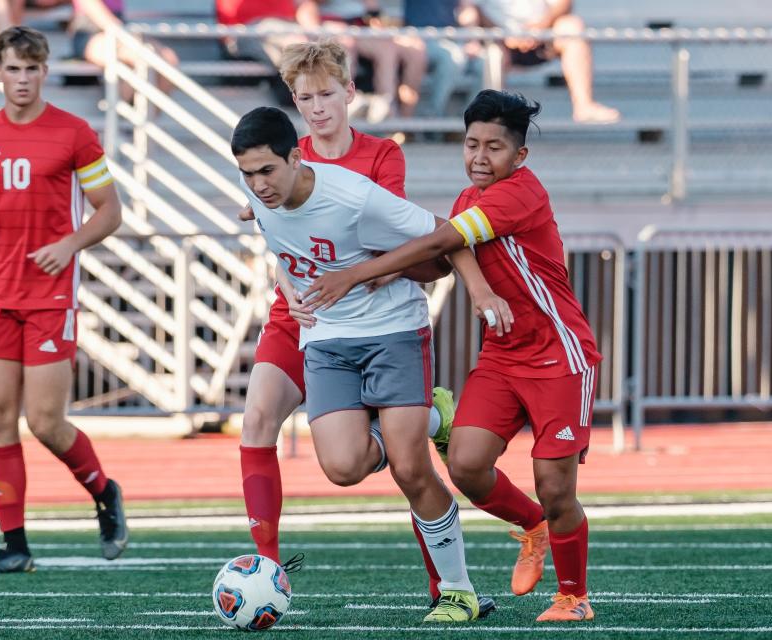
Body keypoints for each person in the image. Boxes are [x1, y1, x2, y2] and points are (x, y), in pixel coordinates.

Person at [302, 90, 601, 622]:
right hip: (503, 357)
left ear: (519, 157)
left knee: (557, 488)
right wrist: (390, 266)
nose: (480, 157)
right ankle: (531, 527)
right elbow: (442, 255)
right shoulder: (468, 200)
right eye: (471, 144)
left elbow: (441, 241)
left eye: (494, 147)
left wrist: (353, 273)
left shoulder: (520, 194)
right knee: (464, 464)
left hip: (560, 356)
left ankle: (573, 597)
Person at [238, 40, 501, 608]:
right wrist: (290, 287)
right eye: (304, 98)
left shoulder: (365, 176)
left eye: (327, 93)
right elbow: (280, 246)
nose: (317, 106)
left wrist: (472, 288)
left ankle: (455, 592)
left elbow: (432, 235)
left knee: (410, 467)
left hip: (387, 324)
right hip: (316, 325)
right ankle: (269, 567)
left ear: (350, 93)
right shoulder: (263, 178)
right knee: (331, 461)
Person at [0, 26, 128, 574]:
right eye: (13, 69)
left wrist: (70, 243)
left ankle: (104, 492)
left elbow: (109, 210)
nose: (23, 79)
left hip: (49, 297)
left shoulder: (74, 133)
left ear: (45, 71)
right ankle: (14, 545)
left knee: (46, 421)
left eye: (32, 69)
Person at [473, 0, 620, 124]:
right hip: (498, 39)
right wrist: (504, 35)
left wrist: (539, 28)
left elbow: (564, 4)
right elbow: (473, 9)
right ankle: (494, 116)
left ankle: (584, 106)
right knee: (493, 53)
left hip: (544, 35)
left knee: (573, 26)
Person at [318, 1, 427, 121]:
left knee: (397, 48)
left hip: (360, 25)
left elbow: (374, 15)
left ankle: (393, 113)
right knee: (347, 44)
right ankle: (344, 104)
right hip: (330, 23)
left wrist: (377, 19)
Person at [69, 0, 180, 101]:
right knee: (142, 58)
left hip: (119, 28)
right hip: (91, 32)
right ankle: (122, 113)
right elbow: (103, 18)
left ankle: (146, 119)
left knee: (169, 58)